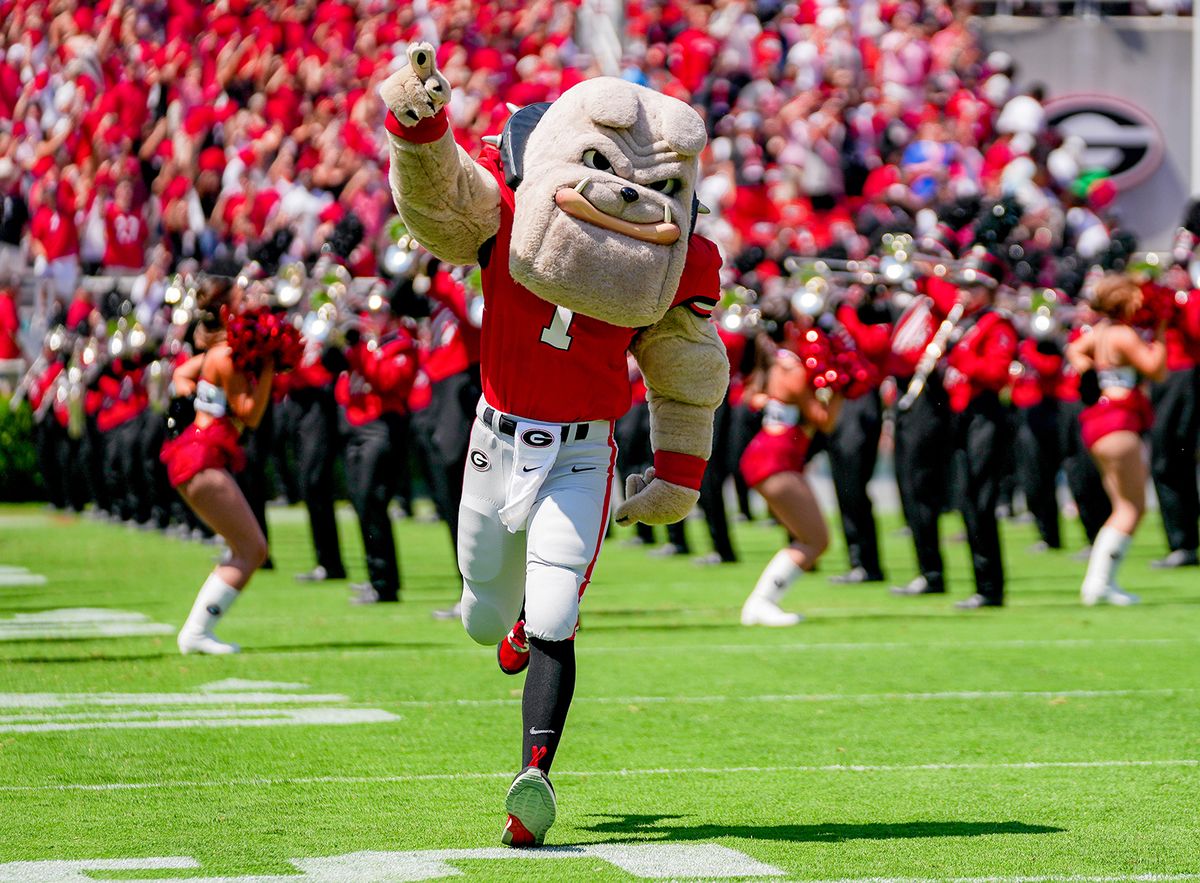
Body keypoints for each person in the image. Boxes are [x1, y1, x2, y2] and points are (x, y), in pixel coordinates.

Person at [160, 274, 274, 654]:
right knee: (253, 548)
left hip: (192, 453)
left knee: (242, 546)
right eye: (241, 300)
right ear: (226, 310)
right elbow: (250, 414)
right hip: (202, 457)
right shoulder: (225, 355)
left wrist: (192, 397)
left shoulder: (213, 354)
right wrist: (271, 367)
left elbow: (180, 374)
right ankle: (195, 633)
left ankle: (197, 630)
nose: (247, 307)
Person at [1066, 273, 1167, 606]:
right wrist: (1162, 335)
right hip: (1119, 421)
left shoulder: (1099, 332)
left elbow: (1074, 349)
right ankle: (1099, 584)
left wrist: (1089, 372)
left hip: (1098, 420)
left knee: (1121, 506)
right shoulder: (1122, 334)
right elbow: (1155, 368)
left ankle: (1099, 583)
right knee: (1131, 508)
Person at [738, 306, 841, 626]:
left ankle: (761, 603)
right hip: (777, 457)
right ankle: (761, 603)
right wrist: (841, 389)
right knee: (815, 539)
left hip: (769, 454)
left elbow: (750, 398)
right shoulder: (790, 368)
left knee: (810, 538)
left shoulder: (770, 364)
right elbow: (824, 421)